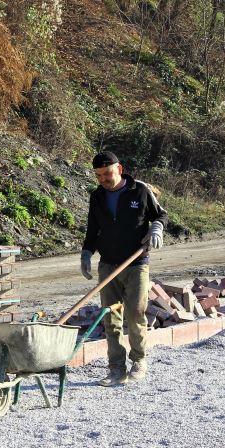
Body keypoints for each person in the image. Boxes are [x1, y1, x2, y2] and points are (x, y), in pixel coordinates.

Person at [81, 151, 168, 386]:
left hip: (136, 264)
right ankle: (116, 368)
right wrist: (87, 252)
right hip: (108, 264)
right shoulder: (97, 196)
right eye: (98, 176)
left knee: (136, 313)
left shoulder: (139, 190)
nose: (103, 180)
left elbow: (161, 215)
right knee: (110, 317)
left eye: (107, 174)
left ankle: (139, 360)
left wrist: (157, 229)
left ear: (119, 169)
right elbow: (92, 229)